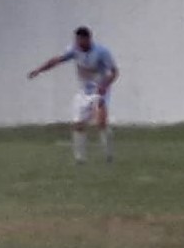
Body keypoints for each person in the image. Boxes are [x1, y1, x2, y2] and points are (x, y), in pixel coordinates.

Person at [28, 26, 120, 164]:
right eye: (77, 40)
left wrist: (105, 85)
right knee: (78, 125)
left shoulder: (102, 52)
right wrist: (38, 70)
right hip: (84, 91)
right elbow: (56, 60)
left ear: (88, 39)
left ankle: (109, 156)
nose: (78, 43)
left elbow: (114, 72)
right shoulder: (74, 50)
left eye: (81, 40)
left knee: (101, 122)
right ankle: (80, 159)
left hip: (99, 90)